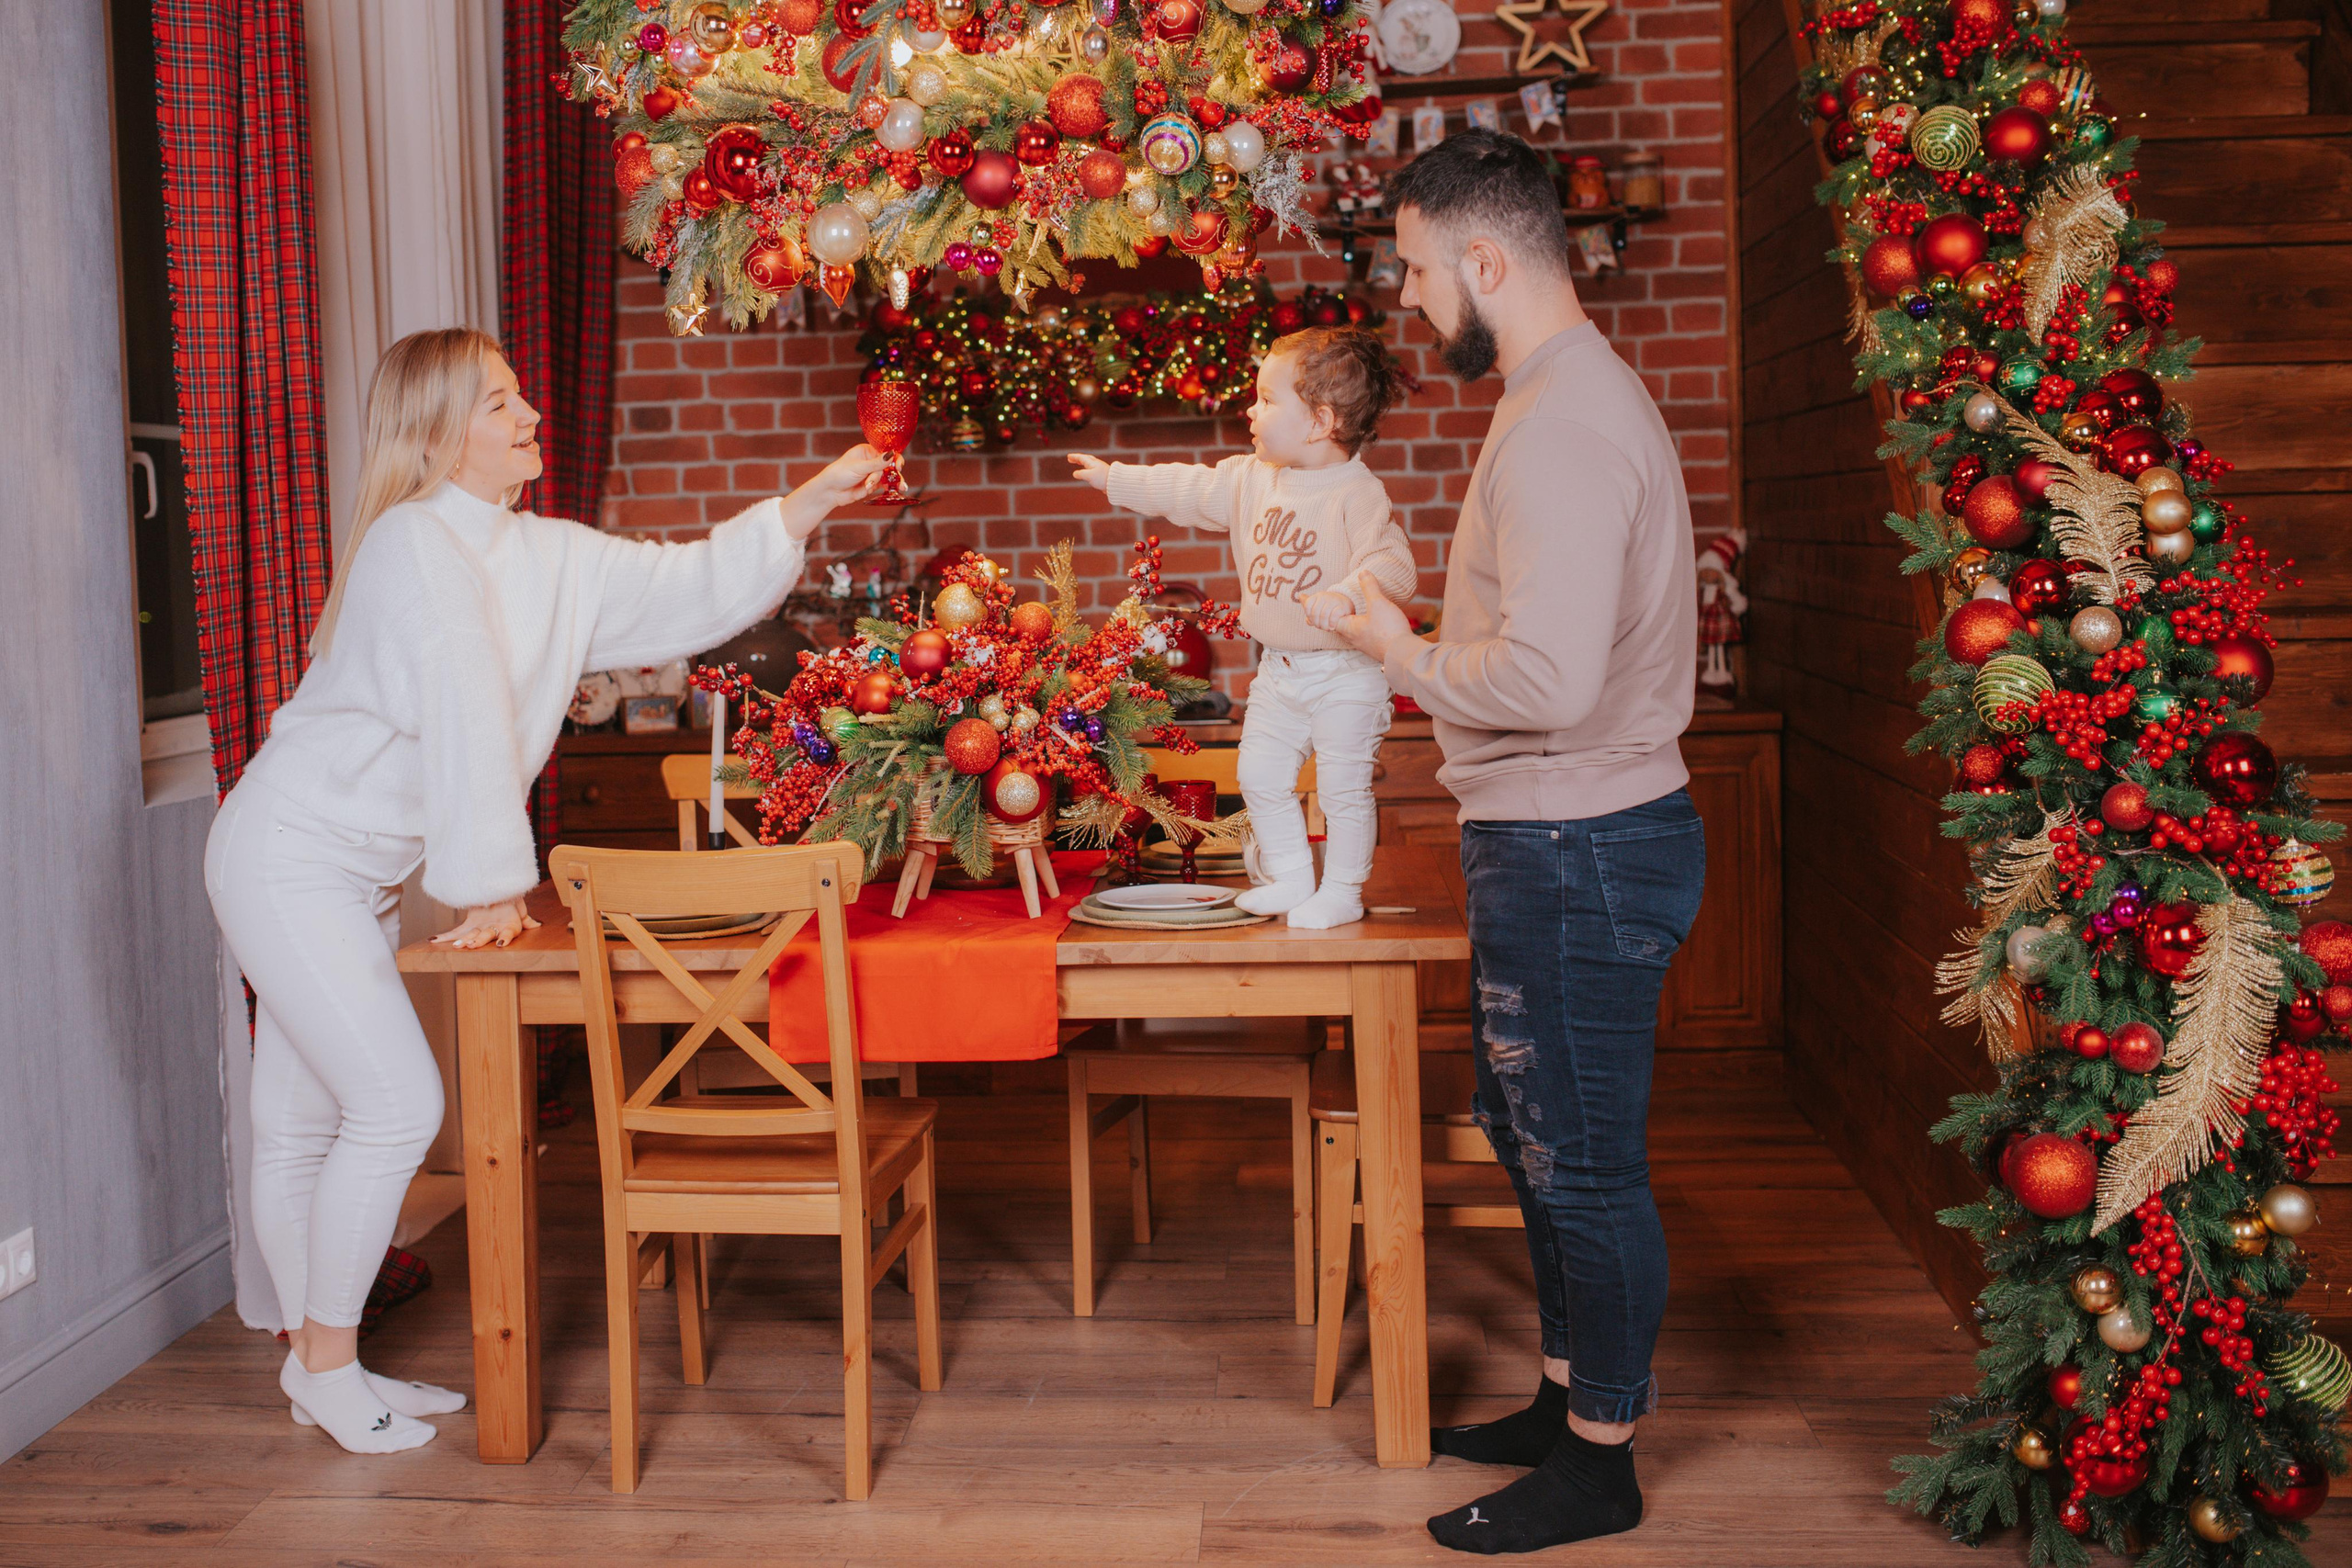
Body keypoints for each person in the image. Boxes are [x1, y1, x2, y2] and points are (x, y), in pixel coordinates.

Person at [204, 327, 884, 1454]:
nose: (529, 416)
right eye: (500, 403)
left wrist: (801, 506)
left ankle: (322, 1365)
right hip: (287, 853)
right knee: (390, 1108)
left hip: (357, 870)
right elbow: (465, 703)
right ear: (439, 435)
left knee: (307, 1115)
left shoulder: (541, 554)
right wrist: (486, 887)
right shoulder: (412, 543)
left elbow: (680, 584)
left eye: (521, 395)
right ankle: (323, 1365)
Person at [1329, 130, 1707, 1554]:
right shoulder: (1561, 393)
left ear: (1485, 259)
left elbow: (1547, 680)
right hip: (1559, 833)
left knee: (1583, 1159)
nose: (1413, 299)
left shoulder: (1559, 423)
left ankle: (1599, 1461)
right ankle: (1566, 1398)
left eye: (1420, 271)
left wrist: (1398, 648)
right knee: (1534, 1137)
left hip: (1576, 841)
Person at [1068, 327, 1416, 928]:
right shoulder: (1253, 477)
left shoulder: (1357, 492)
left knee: (1342, 788)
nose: (1251, 410)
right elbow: (1187, 486)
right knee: (1258, 774)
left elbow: (1396, 566)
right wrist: (1114, 479)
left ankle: (1342, 891)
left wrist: (1344, 592)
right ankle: (1291, 877)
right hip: (1279, 670)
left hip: (1346, 673)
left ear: (1320, 422)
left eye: (1268, 399)